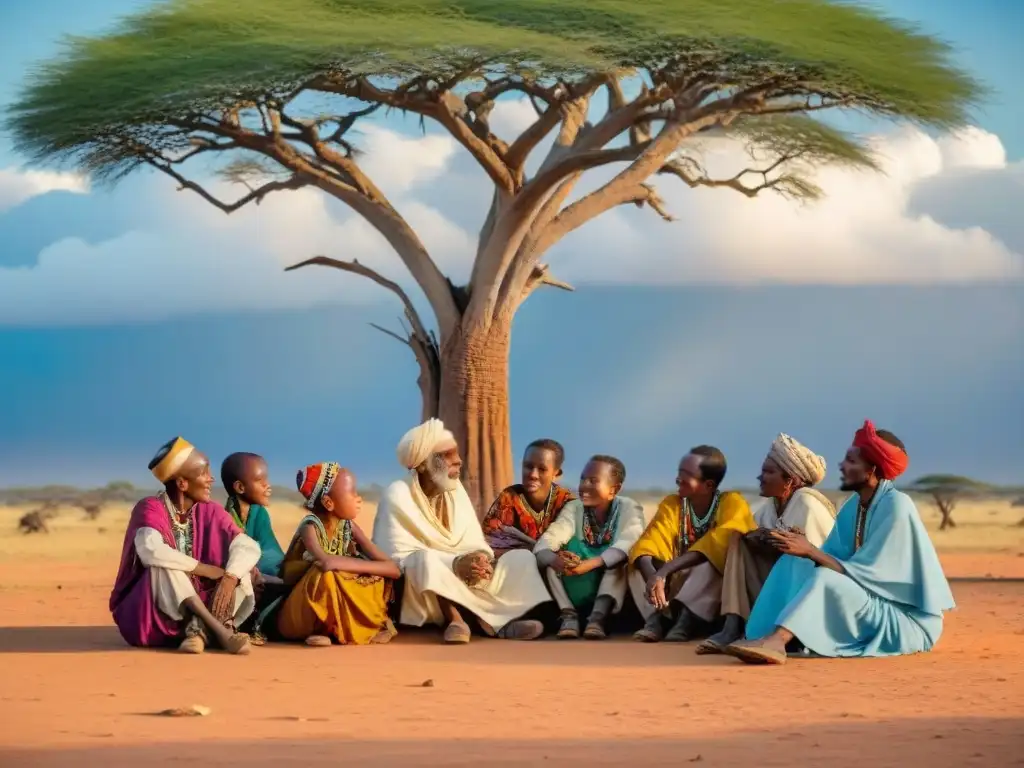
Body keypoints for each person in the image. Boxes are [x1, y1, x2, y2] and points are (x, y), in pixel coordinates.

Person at [725, 421, 956, 664]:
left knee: (823, 576)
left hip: (903, 620)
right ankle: (764, 635)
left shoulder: (897, 505)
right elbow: (833, 557)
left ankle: (776, 642)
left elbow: (874, 576)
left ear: (872, 470)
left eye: (851, 461)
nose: (841, 466)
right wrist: (800, 547)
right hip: (868, 601)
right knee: (793, 563)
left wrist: (811, 551)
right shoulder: (852, 507)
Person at [372, 419, 552, 644]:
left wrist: (479, 559)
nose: (458, 460)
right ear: (422, 464)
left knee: (522, 559)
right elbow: (396, 559)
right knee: (424, 560)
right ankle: (458, 620)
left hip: (468, 581)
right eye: (447, 455)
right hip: (426, 596)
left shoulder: (455, 489)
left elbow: (473, 540)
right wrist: (456, 564)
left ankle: (495, 621)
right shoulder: (397, 493)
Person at [109, 437, 259, 654]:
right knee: (165, 565)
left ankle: (198, 630)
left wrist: (230, 576)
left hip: (207, 600)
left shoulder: (211, 510)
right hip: (152, 613)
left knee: (240, 567)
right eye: (203, 473)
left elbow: (247, 545)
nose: (211, 479)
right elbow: (151, 550)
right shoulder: (150, 508)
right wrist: (202, 568)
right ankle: (219, 631)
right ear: (182, 483)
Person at [696, 434, 836, 654]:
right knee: (739, 539)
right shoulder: (771, 505)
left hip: (812, 595)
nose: (760, 477)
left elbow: (822, 562)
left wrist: (785, 541)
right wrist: (760, 537)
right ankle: (732, 625)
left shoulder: (808, 502)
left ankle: (794, 634)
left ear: (789, 480)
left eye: (768, 472)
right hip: (780, 584)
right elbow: (754, 532)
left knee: (794, 553)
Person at [628, 446, 757, 642]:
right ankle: (656, 618)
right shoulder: (673, 504)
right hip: (672, 583)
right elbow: (650, 540)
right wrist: (653, 576)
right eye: (679, 472)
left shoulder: (732, 502)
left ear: (708, 485)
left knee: (710, 563)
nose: (678, 479)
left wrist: (664, 571)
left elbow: (719, 542)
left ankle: (687, 620)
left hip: (707, 587)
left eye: (686, 475)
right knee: (635, 561)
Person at [276, 462, 399, 646]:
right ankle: (321, 629)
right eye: (352, 492)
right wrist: (360, 567)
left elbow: (393, 569)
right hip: (300, 607)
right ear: (328, 502)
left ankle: (365, 625)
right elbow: (326, 563)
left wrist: (362, 568)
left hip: (338, 573)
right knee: (326, 577)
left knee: (376, 578)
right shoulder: (310, 528)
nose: (359, 498)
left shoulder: (349, 526)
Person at [534, 455, 645, 640]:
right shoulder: (574, 508)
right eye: (582, 479)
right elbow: (551, 538)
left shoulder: (629, 507)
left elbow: (630, 540)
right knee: (552, 559)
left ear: (613, 489)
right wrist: (555, 560)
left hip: (605, 581)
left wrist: (591, 564)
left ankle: (597, 618)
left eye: (593, 481)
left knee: (618, 562)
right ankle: (568, 616)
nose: (584, 486)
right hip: (576, 581)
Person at [482, 439, 576, 558]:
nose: (533, 475)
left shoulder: (568, 503)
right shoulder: (510, 497)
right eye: (528, 466)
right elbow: (488, 543)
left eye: (542, 469)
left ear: (556, 474)